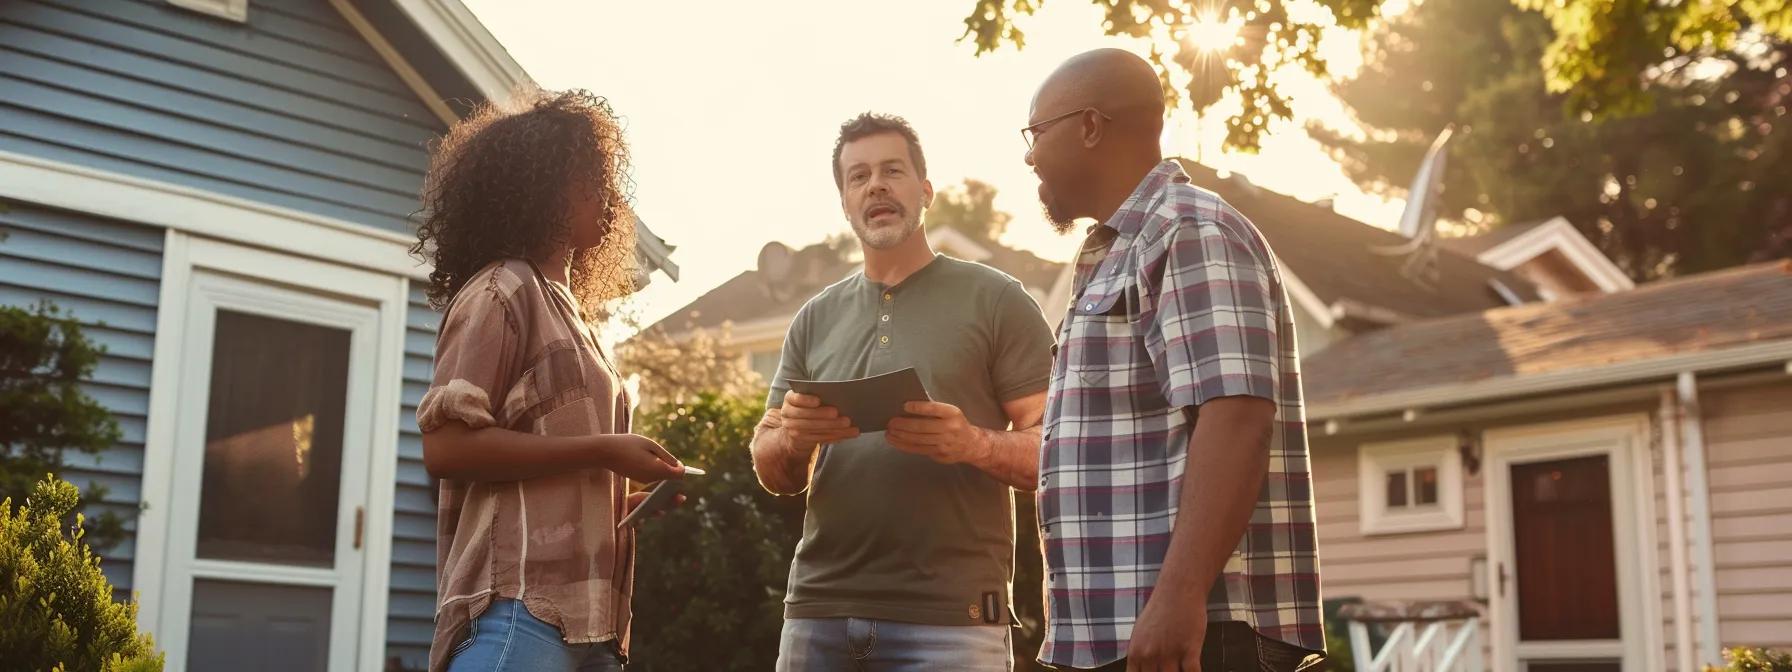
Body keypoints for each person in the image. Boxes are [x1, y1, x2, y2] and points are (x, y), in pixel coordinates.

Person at [1022, 49, 1326, 672]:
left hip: (1197, 633)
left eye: (1036, 132)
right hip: (1125, 632)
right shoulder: (1119, 250)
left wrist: (1179, 597)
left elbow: (1236, 415)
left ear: (1090, 126)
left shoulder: (1188, 230)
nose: (1029, 156)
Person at [750, 112, 1057, 671]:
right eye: (859, 176)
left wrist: (973, 444)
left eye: (893, 170)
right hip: (818, 614)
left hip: (954, 623)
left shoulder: (998, 299)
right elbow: (774, 468)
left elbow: (1058, 452)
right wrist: (793, 438)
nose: (876, 186)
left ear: (926, 190)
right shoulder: (814, 318)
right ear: (845, 203)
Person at [412, 89, 686, 672]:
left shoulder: (574, 314)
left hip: (594, 626)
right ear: (537, 188)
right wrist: (604, 451)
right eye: (587, 180)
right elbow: (447, 447)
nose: (605, 196)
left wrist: (615, 498)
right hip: (518, 612)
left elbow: (541, 467)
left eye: (604, 180)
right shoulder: (501, 291)